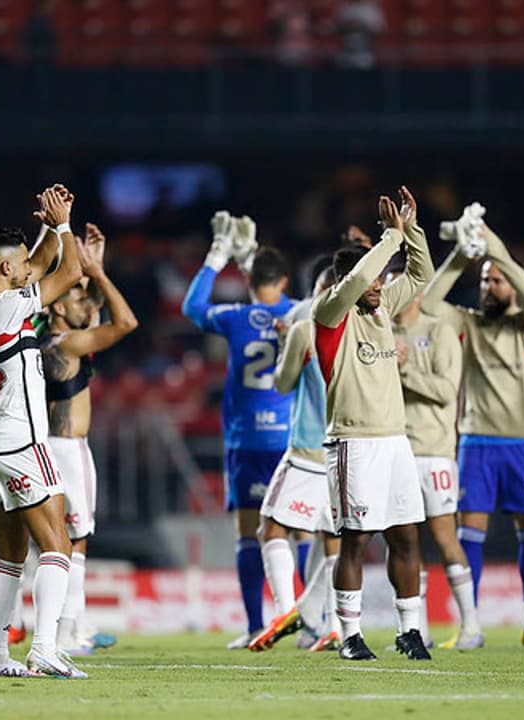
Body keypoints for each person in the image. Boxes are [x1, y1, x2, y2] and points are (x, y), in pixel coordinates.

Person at [421, 202, 524, 648]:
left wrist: (494, 246)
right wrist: (462, 256)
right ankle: (469, 625)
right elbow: (429, 306)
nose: (488, 286)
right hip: (476, 442)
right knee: (468, 534)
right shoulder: (468, 323)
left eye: (496, 280)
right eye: (485, 280)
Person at [0, 184, 88, 678]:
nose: (27, 269)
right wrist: (62, 226)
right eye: (19, 265)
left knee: (11, 554)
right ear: (5, 271)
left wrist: (45, 227)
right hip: (21, 441)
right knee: (58, 543)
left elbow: (36, 265)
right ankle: (45, 648)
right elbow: (71, 272)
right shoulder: (7, 307)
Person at [311, 186, 432, 661]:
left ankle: (411, 630)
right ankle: (350, 636)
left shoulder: (381, 307)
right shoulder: (329, 314)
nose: (381, 283)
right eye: (374, 277)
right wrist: (388, 238)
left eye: (383, 277)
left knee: (405, 535)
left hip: (395, 442)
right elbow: (360, 275)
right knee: (355, 541)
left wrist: (411, 230)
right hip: (353, 443)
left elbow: (422, 273)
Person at [181, 213, 294, 648]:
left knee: (249, 534)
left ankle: (253, 626)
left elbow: (192, 307)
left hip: (246, 441)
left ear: (248, 282)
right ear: (282, 279)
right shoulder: (298, 311)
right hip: (289, 440)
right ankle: (311, 624)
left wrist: (218, 256)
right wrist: (250, 258)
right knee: (298, 531)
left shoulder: (235, 316)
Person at [41, 224, 139, 656]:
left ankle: (71, 626)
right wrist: (96, 273)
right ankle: (67, 633)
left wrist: (94, 263)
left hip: (44, 447)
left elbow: (94, 317)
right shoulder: (69, 343)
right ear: (58, 305)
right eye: (76, 295)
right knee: (74, 541)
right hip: (68, 448)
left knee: (54, 542)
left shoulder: (51, 341)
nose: (86, 301)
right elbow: (126, 322)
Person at [248, 265, 341, 653]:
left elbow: (282, 383)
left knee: (271, 526)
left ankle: (288, 610)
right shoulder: (365, 329)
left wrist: (286, 342)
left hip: (308, 448)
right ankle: (334, 625)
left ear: (323, 288)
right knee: (334, 539)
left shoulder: (307, 322)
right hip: (348, 450)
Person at [392, 277, 482, 650]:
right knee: (404, 541)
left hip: (434, 452)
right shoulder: (382, 333)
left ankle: (472, 626)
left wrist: (405, 368)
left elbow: (447, 391)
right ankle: (418, 630)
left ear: (418, 294)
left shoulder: (440, 331)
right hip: (396, 451)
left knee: (445, 538)